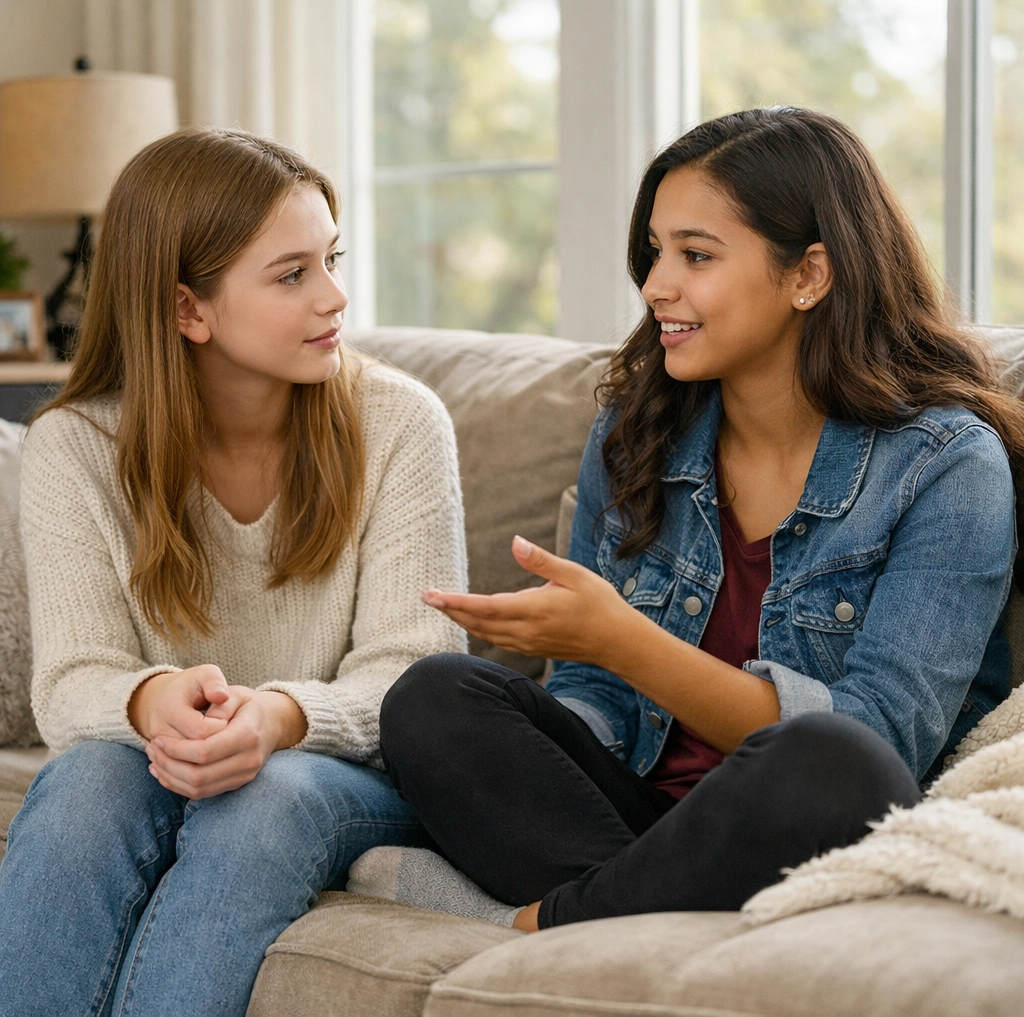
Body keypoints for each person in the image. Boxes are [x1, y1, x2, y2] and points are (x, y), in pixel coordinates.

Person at [357, 107, 1023, 934]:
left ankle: (537, 925)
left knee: (834, 757)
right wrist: (566, 704)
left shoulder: (946, 465)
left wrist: (618, 636)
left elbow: (884, 741)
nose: (654, 286)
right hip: (631, 818)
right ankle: (629, 902)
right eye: (655, 253)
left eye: (695, 256)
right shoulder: (638, 431)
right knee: (435, 696)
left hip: (800, 820)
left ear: (809, 273)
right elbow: (595, 698)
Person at [0, 128, 467, 1017]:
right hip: (157, 758)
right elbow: (69, 681)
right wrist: (151, 701)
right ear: (188, 310)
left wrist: (284, 717)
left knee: (267, 795)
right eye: (293, 275)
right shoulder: (78, 445)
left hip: (340, 770)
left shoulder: (402, 424)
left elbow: (414, 673)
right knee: (88, 781)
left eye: (331, 259)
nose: (335, 297)